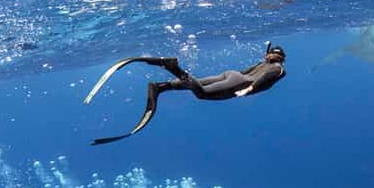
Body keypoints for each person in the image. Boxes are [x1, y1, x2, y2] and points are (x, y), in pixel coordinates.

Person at [83, 42, 287, 144]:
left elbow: (244, 71)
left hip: (231, 74)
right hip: (239, 82)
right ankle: (171, 66)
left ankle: (162, 87)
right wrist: (249, 89)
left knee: (194, 82)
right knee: (203, 94)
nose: (266, 55)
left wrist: (241, 81)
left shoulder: (263, 62)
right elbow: (263, 79)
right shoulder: (278, 68)